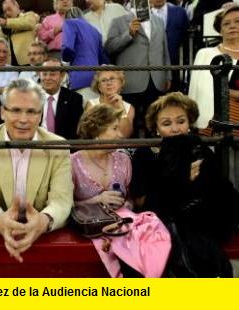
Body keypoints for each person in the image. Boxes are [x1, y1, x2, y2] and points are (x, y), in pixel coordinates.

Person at [130, 92, 239, 277]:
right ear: (156, 128)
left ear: (189, 123)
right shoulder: (145, 154)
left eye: (181, 121)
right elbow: (142, 202)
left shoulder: (200, 149)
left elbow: (221, 191)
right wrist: (180, 180)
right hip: (163, 221)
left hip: (202, 220)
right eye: (166, 124)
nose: (175, 129)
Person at [0, 78, 73, 263]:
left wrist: (44, 221)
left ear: (40, 115)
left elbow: (61, 200)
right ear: (2, 112)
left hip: (44, 242)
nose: (23, 120)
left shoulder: (58, 146)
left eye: (31, 112)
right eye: (15, 110)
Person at [71, 104, 171, 277]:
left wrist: (127, 204)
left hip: (124, 223)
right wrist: (96, 200)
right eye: (115, 128)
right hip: (91, 225)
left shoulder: (123, 159)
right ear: (96, 130)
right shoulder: (72, 162)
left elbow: (133, 199)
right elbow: (65, 204)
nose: (120, 134)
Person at [188, 6, 239, 188]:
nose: (232, 26)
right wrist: (193, 122)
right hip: (211, 127)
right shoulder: (205, 53)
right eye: (226, 23)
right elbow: (194, 89)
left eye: (237, 21)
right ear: (219, 29)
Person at [105, 8, 171, 137]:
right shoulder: (118, 21)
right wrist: (128, 34)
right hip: (130, 82)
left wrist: (168, 74)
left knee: (153, 123)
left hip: (156, 80)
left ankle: (154, 153)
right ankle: (130, 155)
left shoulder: (159, 21)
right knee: (131, 124)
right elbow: (109, 48)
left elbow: (164, 50)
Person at [62, 7, 109, 103]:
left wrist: (65, 62)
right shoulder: (95, 31)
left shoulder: (70, 23)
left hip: (79, 79)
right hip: (96, 80)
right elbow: (103, 59)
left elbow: (67, 48)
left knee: (82, 116)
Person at [39, 58, 83, 139]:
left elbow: (75, 133)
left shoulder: (74, 99)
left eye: (52, 74)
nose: (47, 78)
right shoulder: (32, 96)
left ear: (62, 76)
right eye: (44, 74)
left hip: (62, 146)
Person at [150, 0, 189, 90]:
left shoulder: (180, 12)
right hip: (151, 68)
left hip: (175, 66)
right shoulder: (142, 15)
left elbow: (186, 38)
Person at [0, 0, 39, 66]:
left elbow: (29, 24)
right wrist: (2, 25)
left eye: (9, 9)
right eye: (5, 11)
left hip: (28, 61)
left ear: (17, 7)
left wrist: (5, 22)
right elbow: (2, 38)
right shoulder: (4, 25)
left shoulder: (29, 15)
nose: (7, 13)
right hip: (11, 64)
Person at [87, 69, 135, 137]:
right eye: (103, 80)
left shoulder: (129, 107)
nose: (109, 83)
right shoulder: (92, 104)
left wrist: (121, 108)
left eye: (112, 79)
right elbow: (90, 132)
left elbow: (125, 135)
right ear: (99, 87)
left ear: (120, 83)